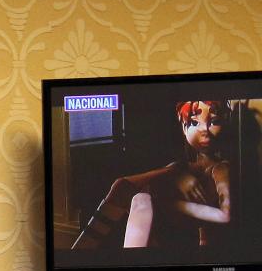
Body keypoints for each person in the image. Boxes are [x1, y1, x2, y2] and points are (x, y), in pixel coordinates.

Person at [73, 99, 231, 251]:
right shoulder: (180, 167)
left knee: (140, 198)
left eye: (214, 122)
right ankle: (78, 255)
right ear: (184, 128)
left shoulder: (220, 168)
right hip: (154, 234)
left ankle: (79, 255)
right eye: (194, 123)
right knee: (136, 195)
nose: (204, 130)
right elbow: (122, 185)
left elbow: (225, 216)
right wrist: (175, 173)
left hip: (178, 239)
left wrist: (172, 203)